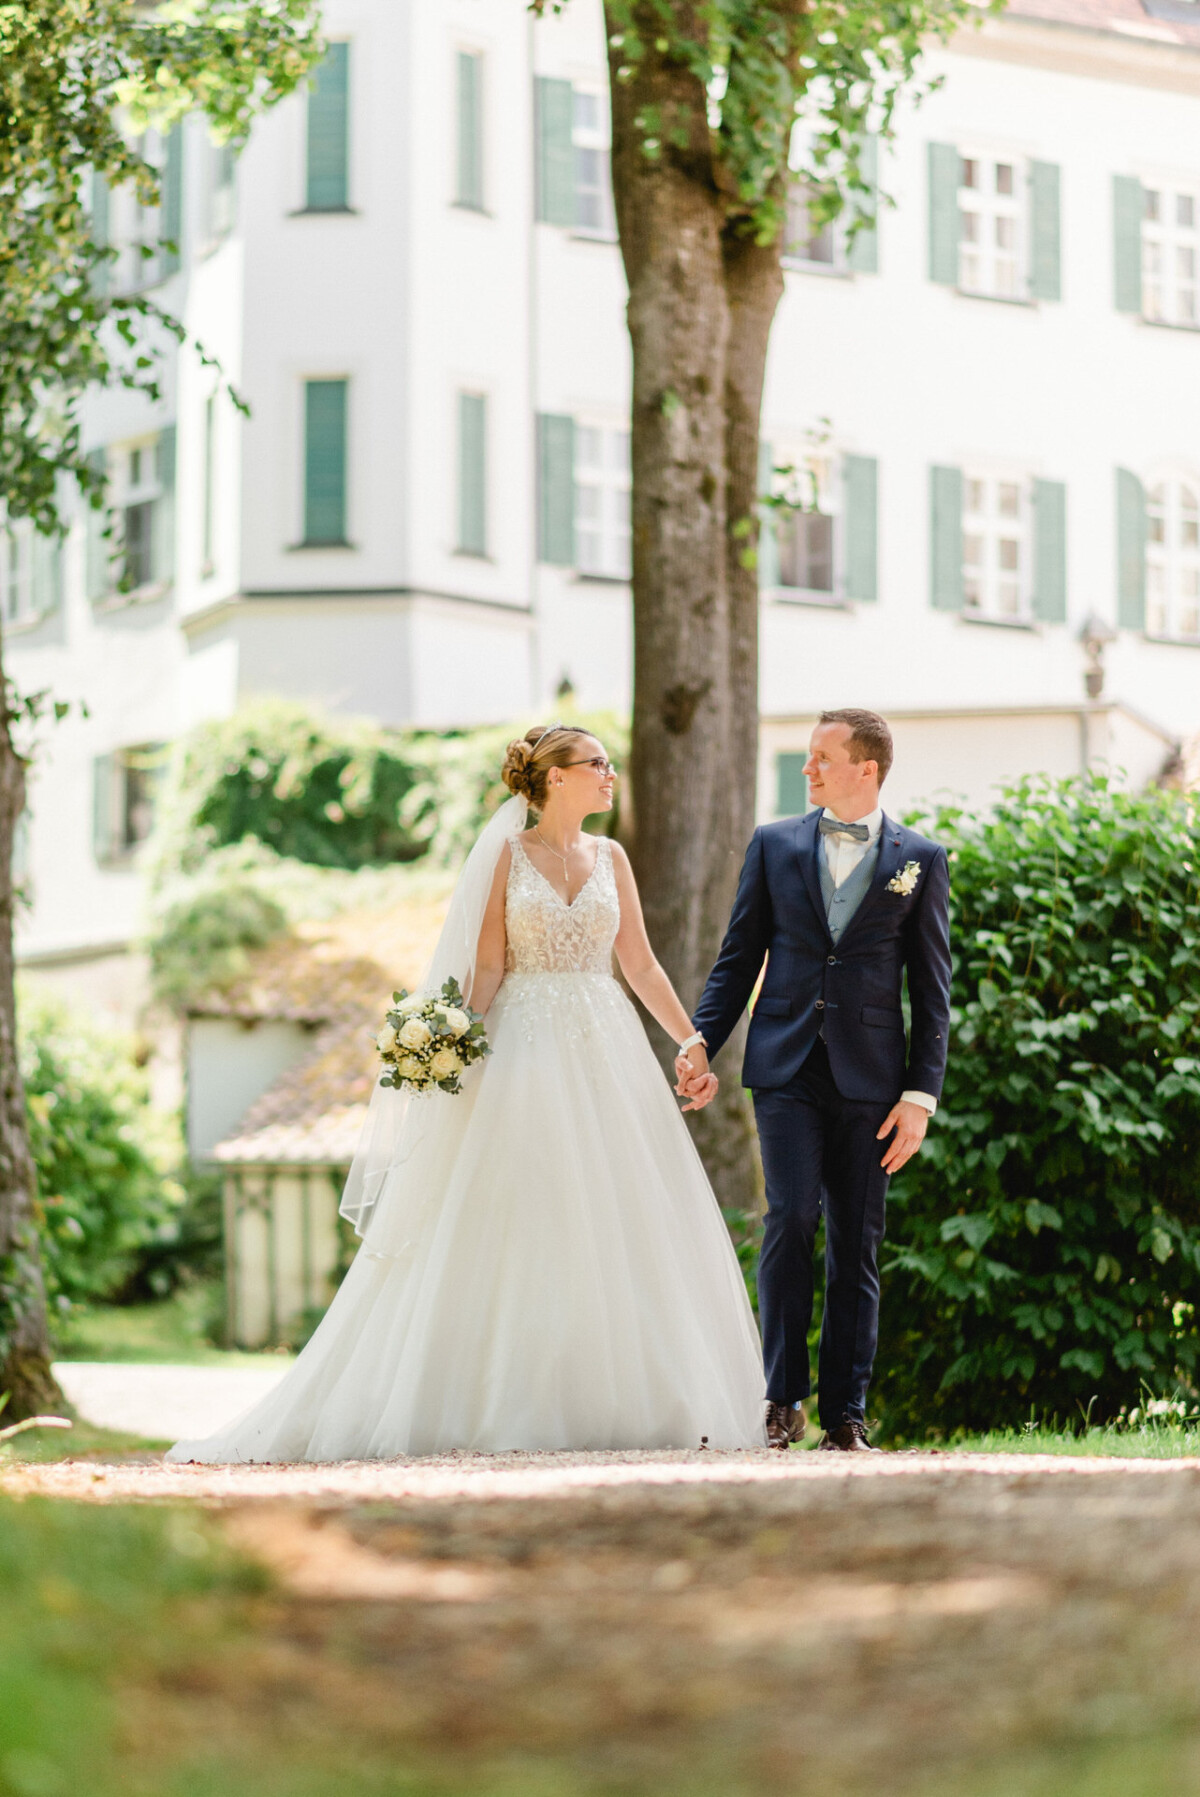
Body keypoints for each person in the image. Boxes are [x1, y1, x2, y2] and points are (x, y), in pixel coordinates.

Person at [167, 724, 766, 1462]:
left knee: (614, 1206)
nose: (612, 774)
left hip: (606, 1044)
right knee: (524, 1203)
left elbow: (639, 963)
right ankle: (498, 1397)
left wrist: (689, 1039)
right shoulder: (508, 855)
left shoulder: (612, 856)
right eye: (598, 764)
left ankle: (623, 1397)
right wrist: (448, 1045)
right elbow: (487, 965)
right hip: (522, 1045)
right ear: (556, 777)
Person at [680, 709, 951, 1452]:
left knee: (856, 1241)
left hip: (874, 1082)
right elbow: (739, 956)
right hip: (785, 1065)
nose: (808, 769)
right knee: (792, 1216)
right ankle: (781, 1399)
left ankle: (845, 1415)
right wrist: (702, 1041)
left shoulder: (921, 859)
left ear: (867, 768)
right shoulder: (773, 845)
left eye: (822, 757)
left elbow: (932, 991)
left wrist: (920, 1097)